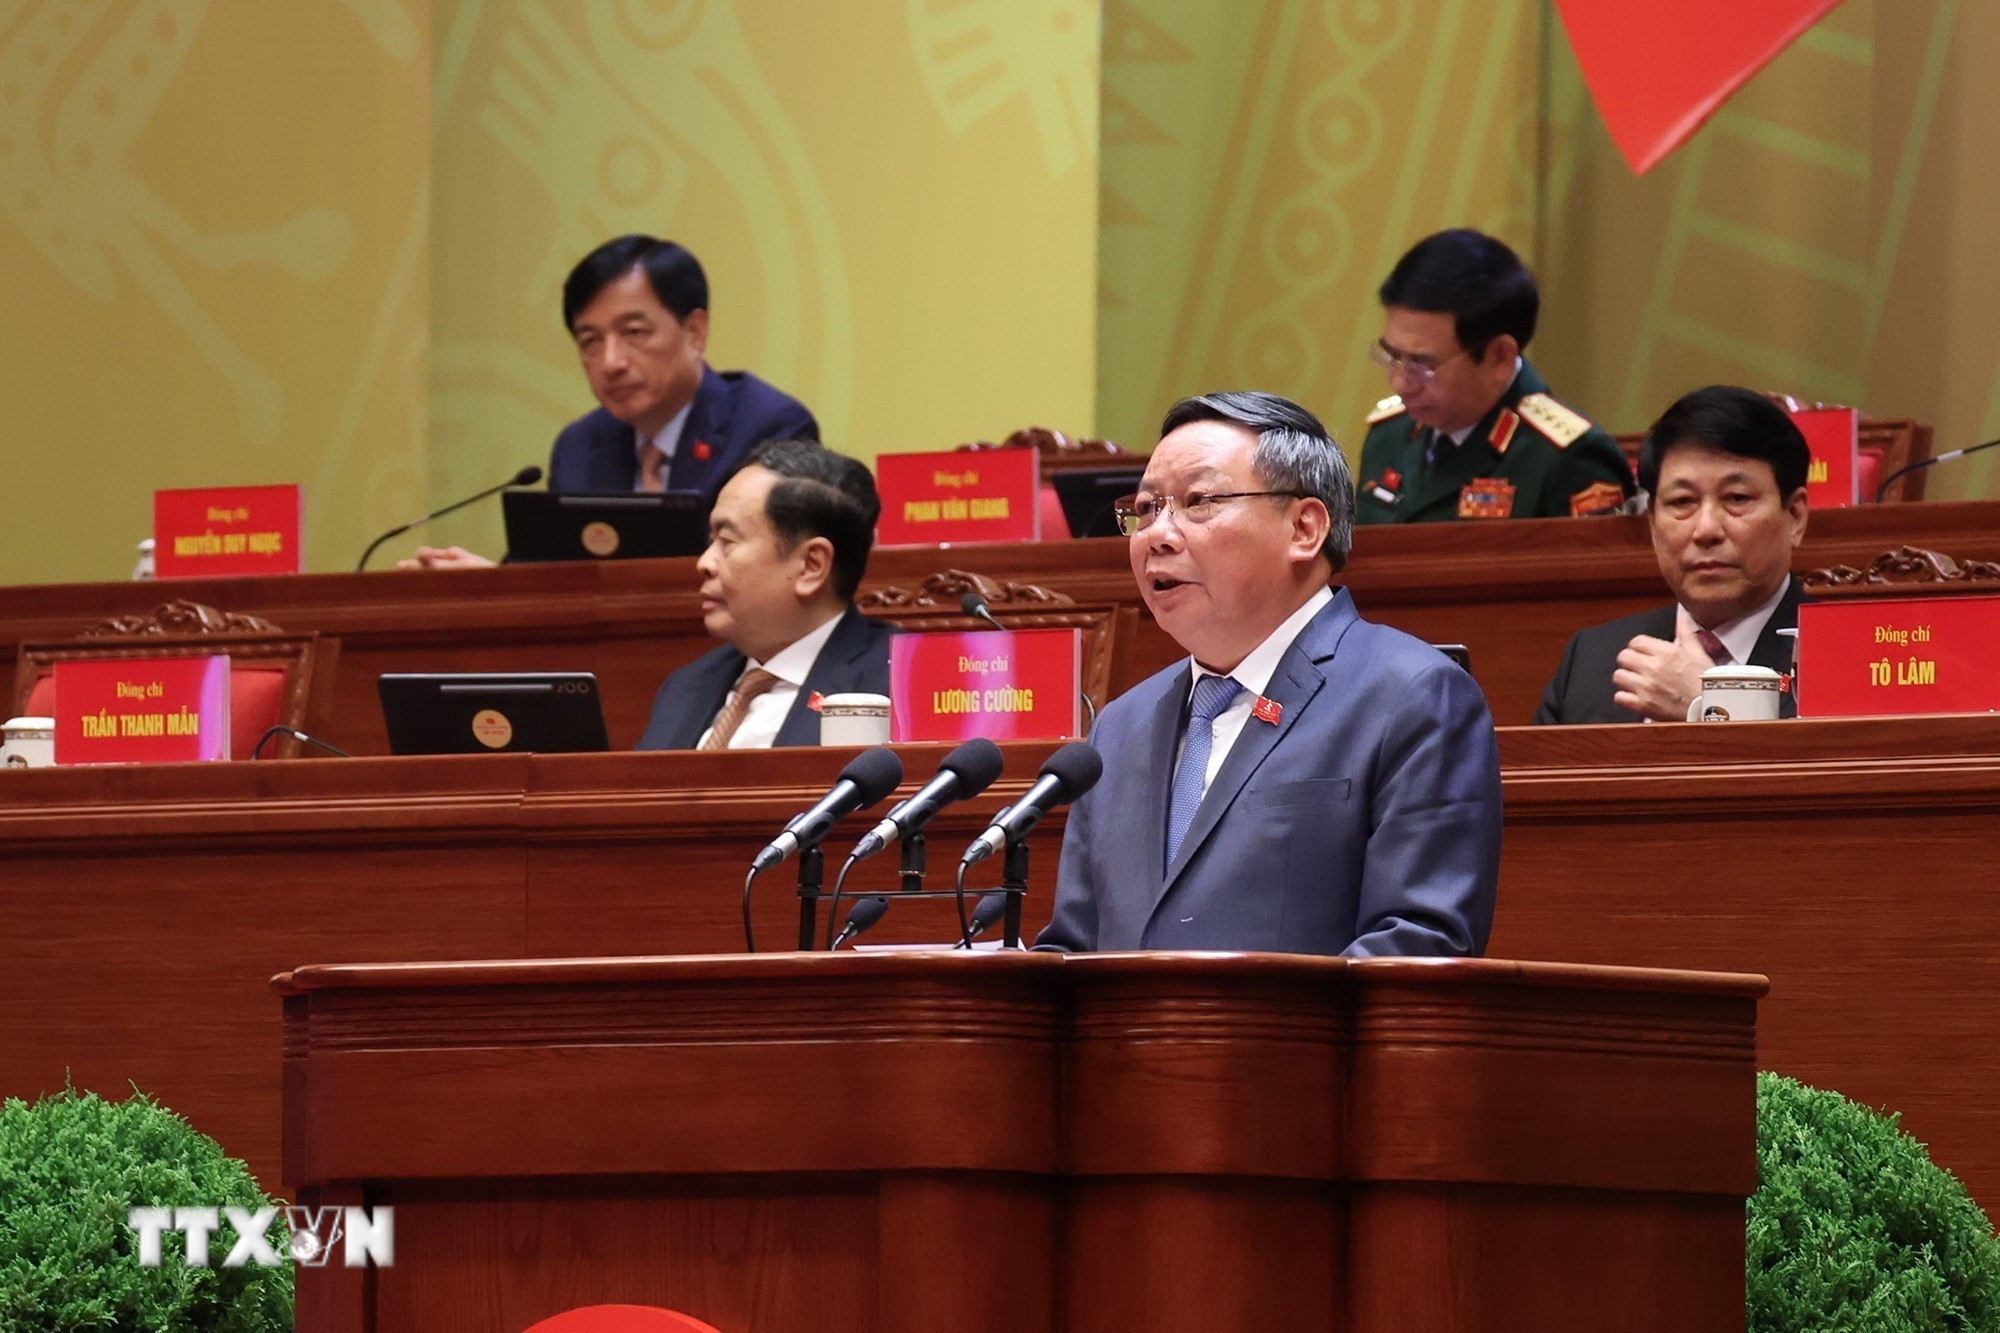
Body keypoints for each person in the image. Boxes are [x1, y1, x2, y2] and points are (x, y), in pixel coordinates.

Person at [1036, 391, 1502, 957]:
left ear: (1304, 528)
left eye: (1198, 501)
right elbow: (1075, 950)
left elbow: (1420, 946)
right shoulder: (1119, 727)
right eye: (1148, 508)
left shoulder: (1412, 696)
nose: (1157, 534)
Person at [403, 235, 817, 570]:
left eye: (634, 333)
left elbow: (764, 580)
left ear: (695, 332)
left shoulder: (768, 429)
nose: (611, 362)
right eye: (591, 341)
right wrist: (489, 586)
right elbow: (555, 574)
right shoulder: (581, 446)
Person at [1533, 385, 1810, 725]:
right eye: (1682, 502)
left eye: (1737, 498)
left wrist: (1708, 710)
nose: (1706, 530)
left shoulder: (1848, 658)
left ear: (1795, 516)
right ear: (1652, 521)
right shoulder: (1592, 659)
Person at [1356, 229, 1634, 524]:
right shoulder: (1388, 436)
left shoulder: (1570, 461)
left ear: (1500, 357)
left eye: (1422, 365)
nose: (1400, 383)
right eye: (1392, 356)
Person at [636, 439, 892, 750]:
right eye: (710, 540)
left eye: (727, 541)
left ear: (811, 566)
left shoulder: (896, 682)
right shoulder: (686, 686)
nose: (704, 563)